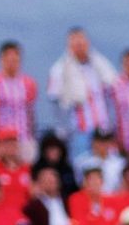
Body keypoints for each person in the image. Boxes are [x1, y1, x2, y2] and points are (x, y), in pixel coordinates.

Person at [48, 27, 117, 156]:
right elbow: (56, 102)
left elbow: (112, 90)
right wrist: (64, 130)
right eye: (75, 43)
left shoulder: (100, 65)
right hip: (79, 131)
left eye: (82, 43)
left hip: (103, 129)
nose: (79, 47)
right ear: (69, 46)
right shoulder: (60, 69)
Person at [0, 41, 39, 161]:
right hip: (2, 140)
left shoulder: (29, 83)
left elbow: (30, 112)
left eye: (15, 60)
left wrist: (31, 135)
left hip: (24, 139)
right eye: (9, 60)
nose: (12, 64)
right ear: (1, 60)